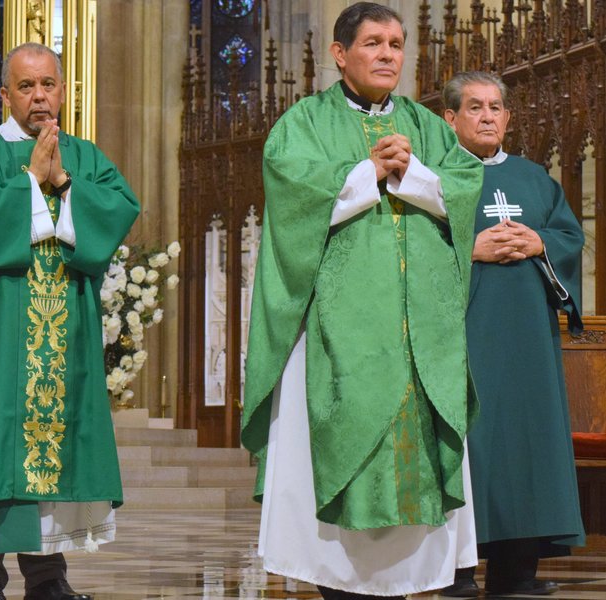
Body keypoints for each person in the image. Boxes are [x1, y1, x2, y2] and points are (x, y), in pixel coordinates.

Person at [241, 4, 485, 599]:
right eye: (373, 43)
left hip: (416, 340)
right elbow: (290, 190)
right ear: (340, 53)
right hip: (334, 333)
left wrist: (413, 176)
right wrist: (364, 173)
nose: (387, 55)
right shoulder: (304, 122)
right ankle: (340, 582)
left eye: (396, 45)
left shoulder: (426, 127)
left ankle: (408, 581)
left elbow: (464, 183)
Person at [0, 43, 140, 600]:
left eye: (48, 85)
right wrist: (27, 183)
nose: (39, 96)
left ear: (63, 91)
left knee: (55, 448)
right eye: (25, 86)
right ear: (5, 94)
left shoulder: (85, 158)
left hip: (64, 343)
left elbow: (117, 210)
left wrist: (63, 182)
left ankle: (48, 578)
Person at [440, 71, 585, 597]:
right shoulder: (434, 178)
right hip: (462, 337)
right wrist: (469, 249)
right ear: (449, 118)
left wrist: (539, 242)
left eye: (496, 107)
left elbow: (570, 236)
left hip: (527, 339)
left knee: (526, 445)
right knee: (468, 447)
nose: (486, 116)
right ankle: (454, 572)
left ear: (508, 118)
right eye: (474, 107)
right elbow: (408, 248)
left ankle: (518, 570)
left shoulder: (534, 178)